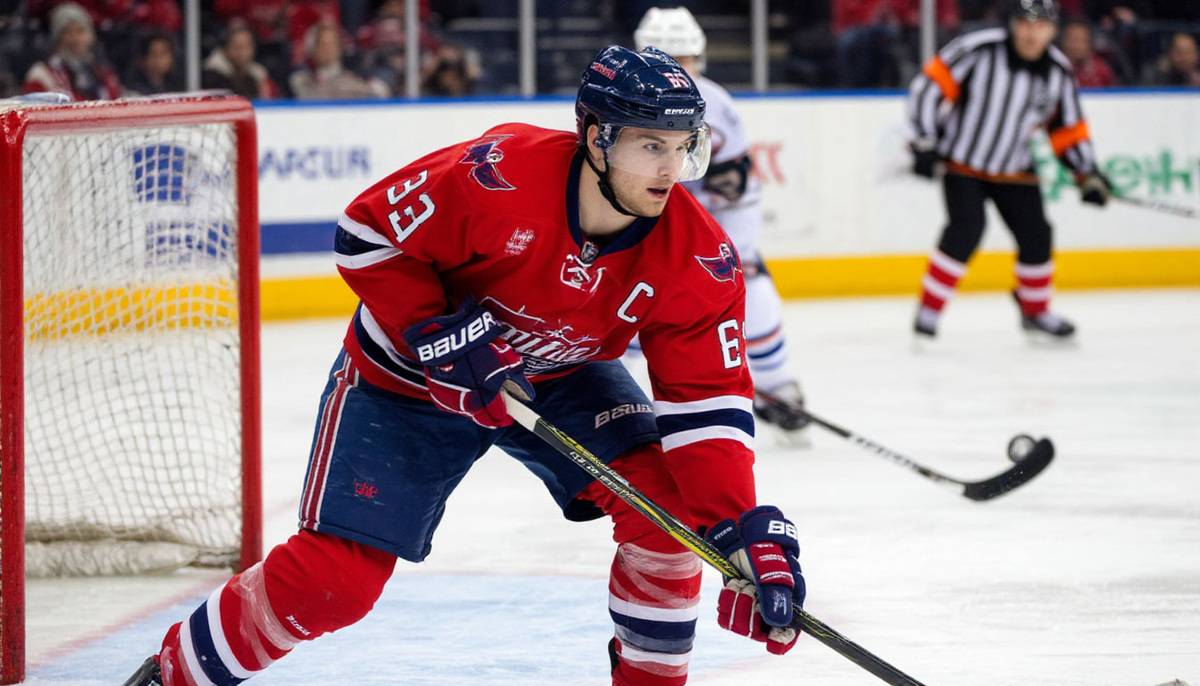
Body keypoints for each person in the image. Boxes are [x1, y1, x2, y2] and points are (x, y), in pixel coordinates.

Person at [121, 45, 806, 686]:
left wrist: (735, 528)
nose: (670, 169)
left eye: (684, 147)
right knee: (334, 585)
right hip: (409, 377)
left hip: (561, 374)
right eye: (651, 145)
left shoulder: (700, 258)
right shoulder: (499, 174)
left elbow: (706, 406)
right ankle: (175, 674)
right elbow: (366, 233)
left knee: (668, 521)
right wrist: (439, 334)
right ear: (596, 137)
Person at [633, 7, 810, 434]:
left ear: (700, 58)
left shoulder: (718, 108)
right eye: (664, 59)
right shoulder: (620, 103)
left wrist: (736, 253)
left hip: (703, 227)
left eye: (684, 59)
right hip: (638, 229)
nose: (677, 71)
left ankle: (774, 387)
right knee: (621, 311)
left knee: (756, 296)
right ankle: (595, 393)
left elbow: (740, 191)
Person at [906, 0, 1111, 340]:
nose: (1032, 34)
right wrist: (923, 141)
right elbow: (928, 88)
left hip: (1014, 169)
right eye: (1026, 24)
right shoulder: (978, 49)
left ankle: (1036, 311)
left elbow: (1068, 129)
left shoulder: (1057, 71)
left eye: (1041, 26)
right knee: (966, 230)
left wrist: (1086, 172)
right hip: (962, 164)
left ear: (1053, 30)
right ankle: (929, 309)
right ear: (1013, 25)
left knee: (1037, 235)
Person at [22, 1, 121, 101]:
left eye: (80, 31)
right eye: (68, 32)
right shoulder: (42, 75)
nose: (76, 38)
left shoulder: (103, 71)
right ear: (58, 38)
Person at [288, 21, 390, 99]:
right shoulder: (302, 80)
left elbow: (381, 92)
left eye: (332, 44)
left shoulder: (353, 79)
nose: (328, 49)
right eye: (322, 44)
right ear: (312, 49)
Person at [201, 24, 281, 100]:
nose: (242, 52)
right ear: (226, 48)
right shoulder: (211, 75)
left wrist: (264, 94)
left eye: (247, 46)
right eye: (237, 46)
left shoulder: (258, 74)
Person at [122, 31, 185, 96]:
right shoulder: (133, 89)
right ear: (142, 59)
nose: (160, 59)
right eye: (154, 54)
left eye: (164, 53)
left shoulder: (176, 84)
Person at [1060, 20, 1117, 87]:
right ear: (1063, 42)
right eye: (1072, 40)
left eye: (1081, 40)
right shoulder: (1055, 69)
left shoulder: (1101, 70)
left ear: (1089, 43)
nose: (1076, 46)